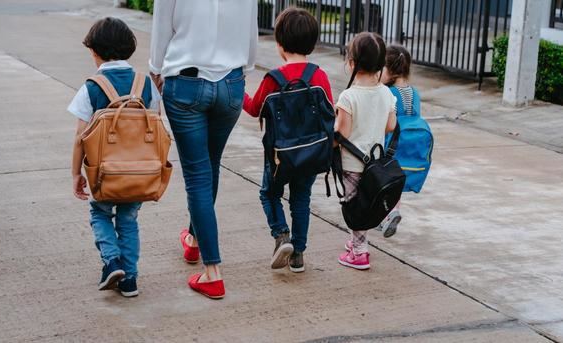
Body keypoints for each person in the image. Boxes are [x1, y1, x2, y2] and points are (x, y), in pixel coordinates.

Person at [149, 0, 257, 299]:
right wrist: (242, 69)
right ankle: (194, 240)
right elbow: (250, 32)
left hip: (185, 81)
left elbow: (162, 26)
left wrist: (156, 69)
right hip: (232, 81)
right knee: (210, 165)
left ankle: (213, 272)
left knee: (198, 174)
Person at [68, 17, 160, 297]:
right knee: (129, 221)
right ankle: (130, 279)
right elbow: (156, 124)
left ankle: (112, 261)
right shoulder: (145, 84)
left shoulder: (91, 87)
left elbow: (79, 138)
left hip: (104, 173)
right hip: (138, 173)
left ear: (95, 51)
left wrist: (76, 174)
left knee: (100, 214)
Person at [244, 8, 333, 273]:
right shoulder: (319, 76)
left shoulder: (274, 79)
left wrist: (238, 91)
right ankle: (298, 255)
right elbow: (331, 110)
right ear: (313, 43)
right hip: (311, 154)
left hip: (279, 156)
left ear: (280, 44)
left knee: (269, 193)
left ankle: (281, 235)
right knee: (301, 199)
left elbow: (253, 108)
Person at [334, 32, 397, 270]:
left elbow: (343, 133)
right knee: (366, 204)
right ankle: (356, 241)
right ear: (381, 65)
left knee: (355, 207)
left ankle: (360, 252)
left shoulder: (348, 96)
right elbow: (391, 126)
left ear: (351, 63)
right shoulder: (386, 93)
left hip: (352, 164)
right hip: (376, 164)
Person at [378, 45, 415, 238]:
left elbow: (387, 123)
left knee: (382, 182)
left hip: (389, 146)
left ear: (389, 70)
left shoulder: (388, 93)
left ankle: (388, 213)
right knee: (396, 183)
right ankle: (392, 213)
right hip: (407, 146)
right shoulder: (414, 93)